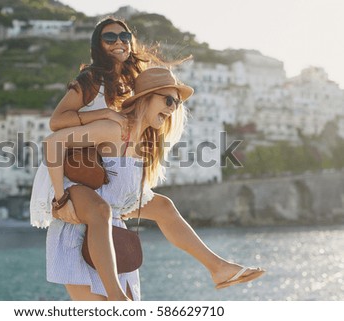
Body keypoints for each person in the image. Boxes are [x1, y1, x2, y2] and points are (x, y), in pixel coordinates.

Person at [30, 18, 264, 300]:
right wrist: (59, 198)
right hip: (75, 181)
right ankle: (119, 297)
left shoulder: (131, 97)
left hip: (103, 192)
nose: (119, 42)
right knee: (102, 211)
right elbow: (56, 128)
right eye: (168, 101)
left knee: (163, 206)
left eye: (124, 36)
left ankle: (218, 268)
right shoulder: (91, 81)